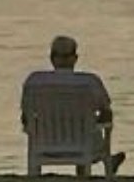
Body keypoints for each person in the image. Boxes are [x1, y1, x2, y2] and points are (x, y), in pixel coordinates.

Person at [20, 34, 125, 174]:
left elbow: (25, 116)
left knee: (76, 125)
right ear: (75, 58)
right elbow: (106, 112)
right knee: (89, 127)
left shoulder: (34, 81)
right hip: (83, 144)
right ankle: (105, 161)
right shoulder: (90, 82)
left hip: (43, 145)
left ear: (51, 58)